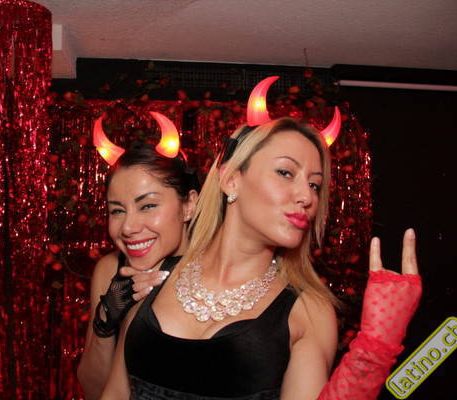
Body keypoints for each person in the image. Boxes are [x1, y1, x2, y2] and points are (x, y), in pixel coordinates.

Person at [100, 117, 421, 399]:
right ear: (231, 179)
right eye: (285, 172)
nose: (306, 196)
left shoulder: (308, 312)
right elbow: (111, 393)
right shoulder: (156, 275)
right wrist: (106, 320)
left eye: (314, 184)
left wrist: (375, 348)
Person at [77, 142, 199, 400]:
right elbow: (94, 391)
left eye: (147, 206)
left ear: (188, 205)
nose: (128, 227)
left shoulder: (219, 271)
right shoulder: (111, 269)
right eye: (117, 210)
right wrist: (105, 321)